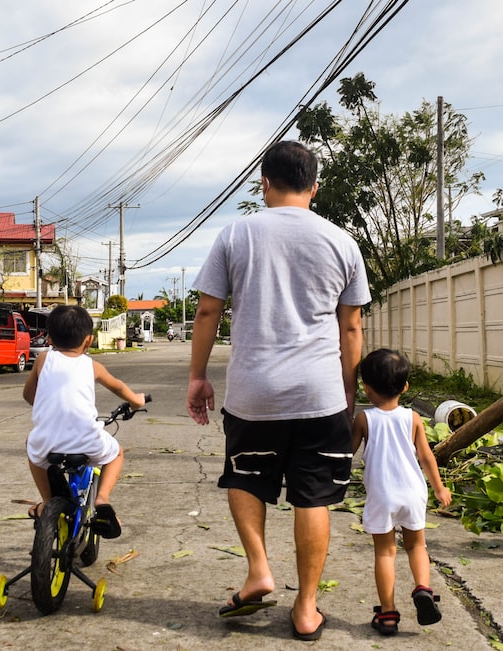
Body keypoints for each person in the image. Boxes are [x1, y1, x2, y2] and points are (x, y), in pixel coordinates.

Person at [187, 140, 370, 641]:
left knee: (247, 479)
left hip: (254, 394)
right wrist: (350, 396)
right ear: (315, 186)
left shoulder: (236, 234)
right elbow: (350, 329)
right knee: (313, 497)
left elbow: (207, 312)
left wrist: (197, 376)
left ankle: (258, 570)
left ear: (264, 183)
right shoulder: (342, 242)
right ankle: (306, 608)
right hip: (320, 395)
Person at [350, 348, 453, 636]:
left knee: (385, 553)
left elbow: (347, 453)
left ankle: (388, 614)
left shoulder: (363, 419)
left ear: (366, 389)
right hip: (413, 491)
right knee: (417, 546)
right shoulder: (413, 418)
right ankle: (423, 588)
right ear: (405, 387)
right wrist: (440, 487)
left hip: (382, 494)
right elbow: (427, 458)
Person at [23, 304, 145, 538]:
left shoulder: (42, 360)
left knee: (32, 448)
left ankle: (47, 502)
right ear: (88, 341)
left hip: (47, 441)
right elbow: (118, 386)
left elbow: (29, 395)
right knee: (117, 453)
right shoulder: (92, 365)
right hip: (87, 440)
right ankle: (102, 499)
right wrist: (136, 401)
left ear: (49, 338)